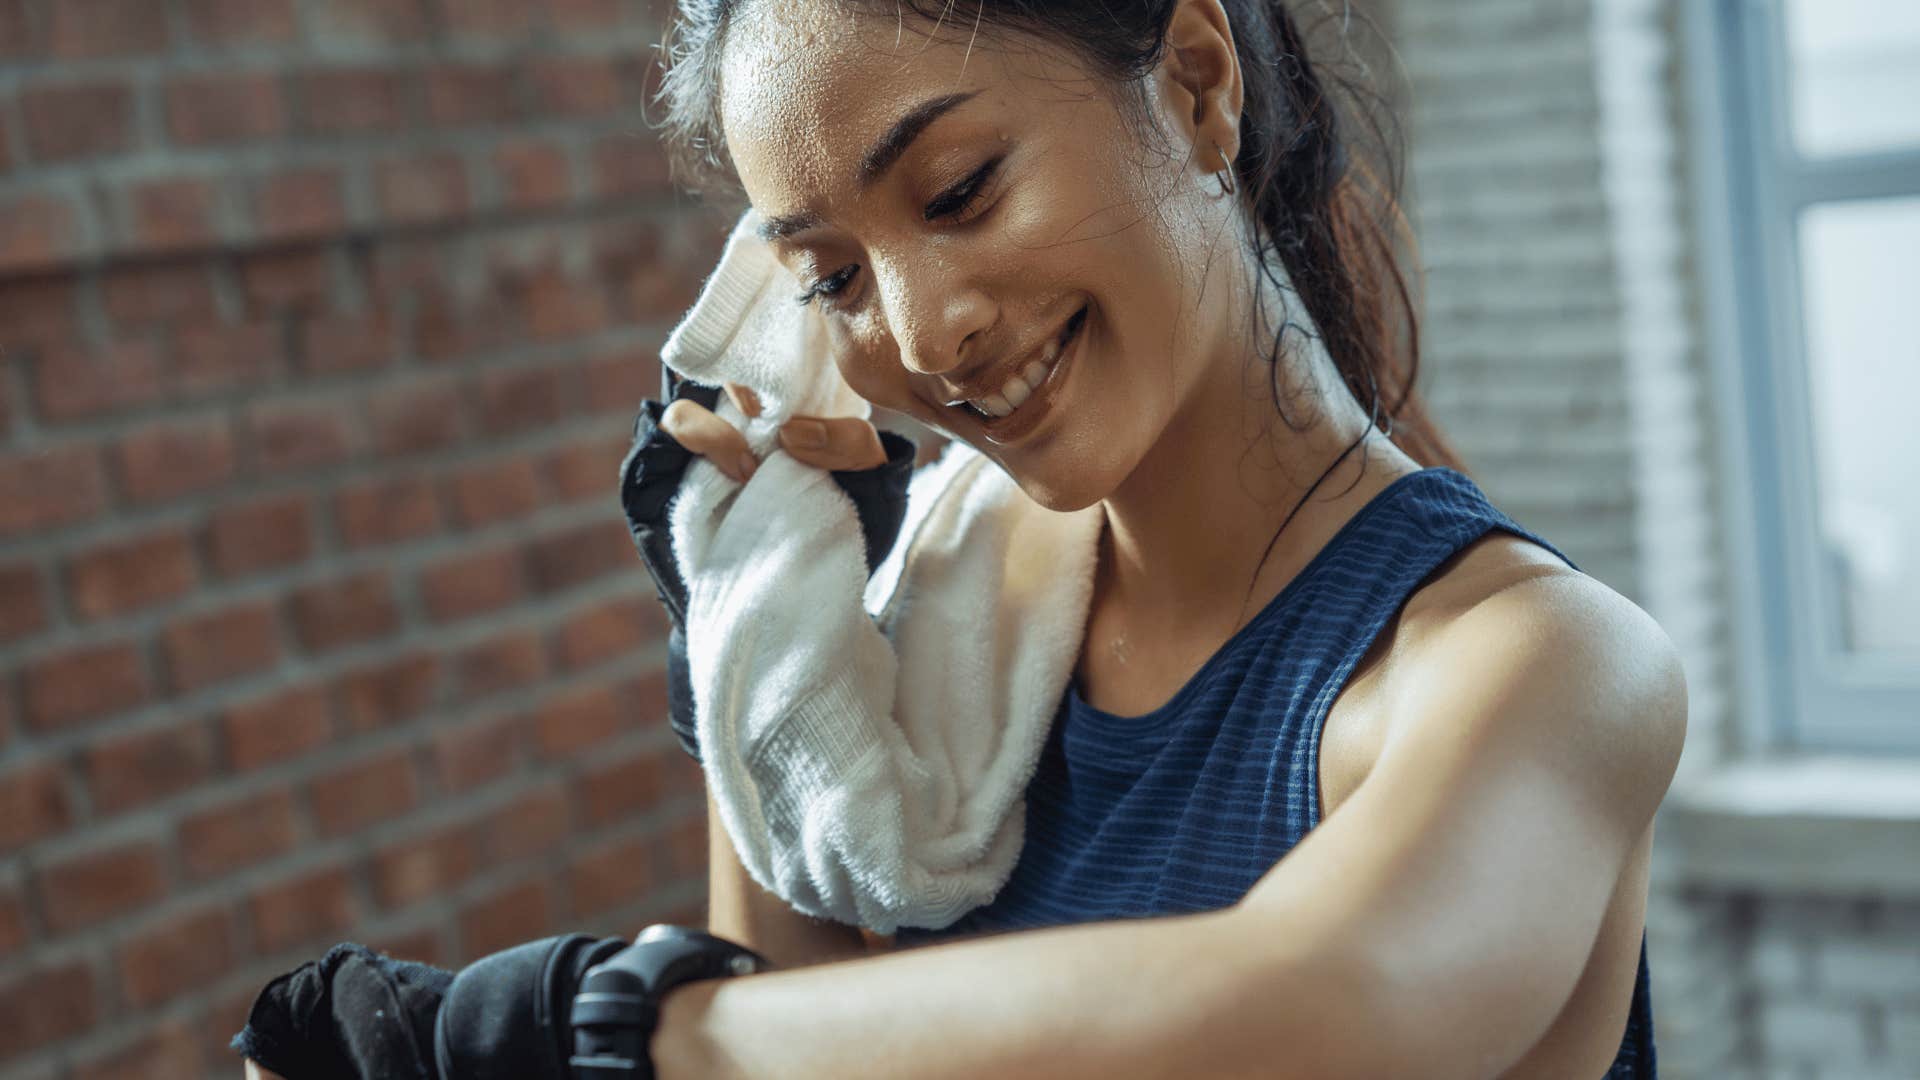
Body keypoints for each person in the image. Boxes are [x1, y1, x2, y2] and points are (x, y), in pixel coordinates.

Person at [243, 0, 1686, 1076]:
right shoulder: (953, 627)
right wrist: (754, 614)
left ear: (1194, 85)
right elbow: (813, 1005)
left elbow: (1332, 1000)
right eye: (833, 277)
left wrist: (620, 1027)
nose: (923, 335)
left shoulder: (1538, 669)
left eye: (958, 191)